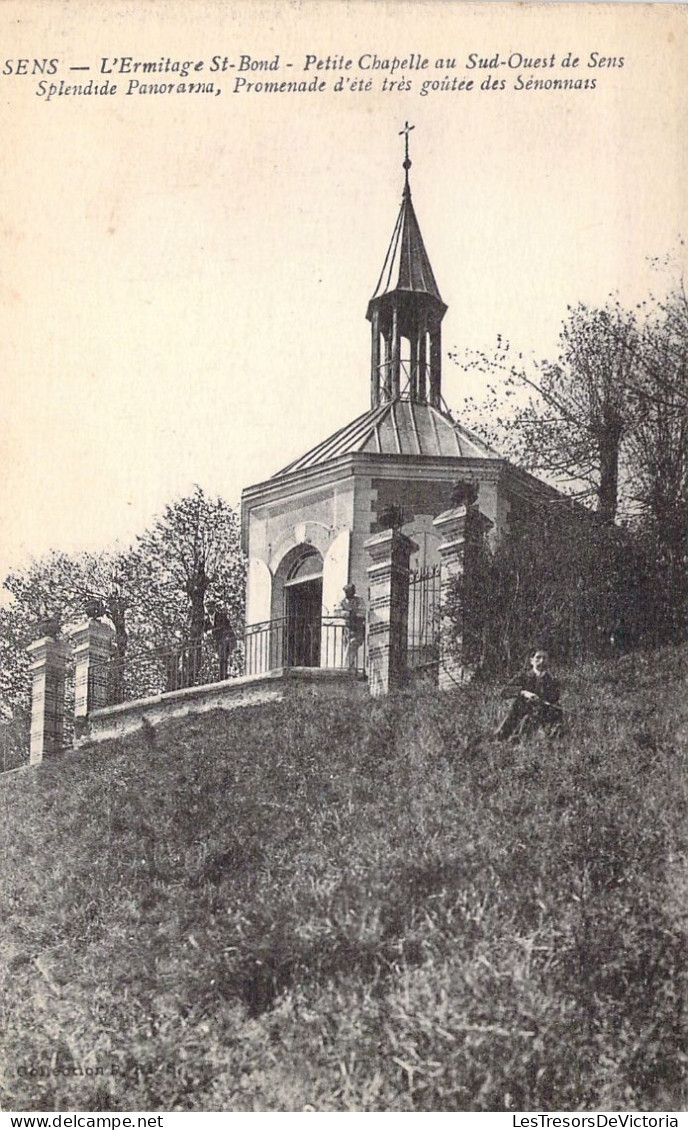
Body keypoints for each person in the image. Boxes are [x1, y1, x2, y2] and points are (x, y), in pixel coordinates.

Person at [495, 648, 564, 742]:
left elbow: (554, 698)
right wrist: (524, 693)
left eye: (545, 658)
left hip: (543, 714)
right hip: (522, 711)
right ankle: (503, 737)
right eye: (538, 657)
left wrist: (542, 700)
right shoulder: (523, 677)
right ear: (531, 661)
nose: (542, 661)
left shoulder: (552, 681)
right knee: (517, 705)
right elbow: (504, 692)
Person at [204, 599, 237, 681]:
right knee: (219, 658)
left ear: (214, 607)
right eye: (207, 607)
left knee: (223, 657)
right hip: (216, 642)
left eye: (210, 607)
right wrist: (206, 634)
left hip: (225, 640)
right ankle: (219, 675)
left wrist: (211, 631)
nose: (209, 609)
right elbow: (205, 630)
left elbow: (223, 627)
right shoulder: (206, 620)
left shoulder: (221, 616)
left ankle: (223, 676)